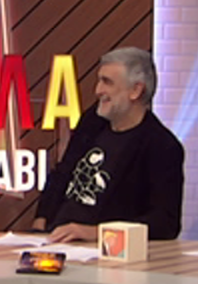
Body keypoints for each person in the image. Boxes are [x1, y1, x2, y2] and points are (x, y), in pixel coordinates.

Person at [33, 47, 184, 241]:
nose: (98, 91)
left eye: (107, 82)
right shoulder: (92, 122)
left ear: (136, 90)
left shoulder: (161, 146)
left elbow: (165, 224)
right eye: (99, 81)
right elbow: (63, 172)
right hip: (53, 237)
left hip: (103, 249)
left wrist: (97, 233)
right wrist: (41, 218)